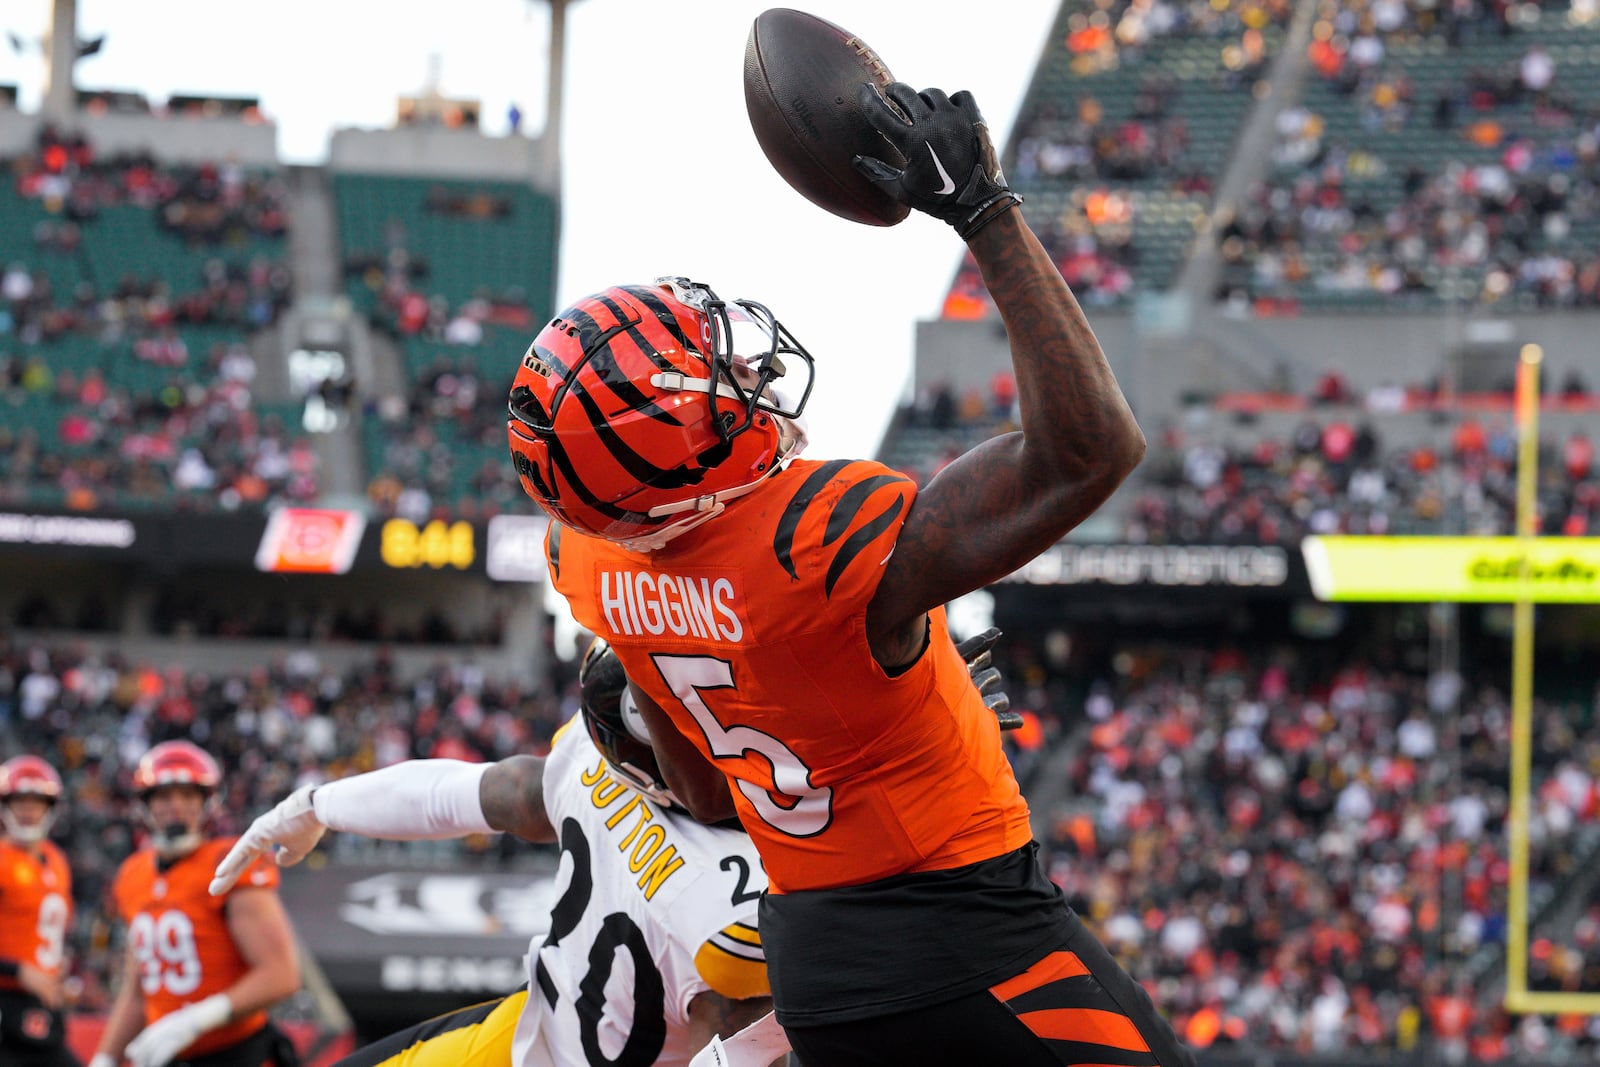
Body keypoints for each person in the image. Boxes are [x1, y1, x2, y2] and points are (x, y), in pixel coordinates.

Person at [504, 79, 1193, 1067]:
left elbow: (704, 795)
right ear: (676, 453)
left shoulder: (592, 558)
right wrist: (985, 211)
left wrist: (863, 722)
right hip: (963, 924)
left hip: (817, 961)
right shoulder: (812, 537)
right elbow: (1087, 450)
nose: (744, 382)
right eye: (715, 384)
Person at [210, 639, 786, 1067]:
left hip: (531, 1036)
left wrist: (319, 804)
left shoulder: (594, 759)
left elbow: (478, 794)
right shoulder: (745, 896)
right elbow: (482, 795)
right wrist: (317, 805)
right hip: (527, 1031)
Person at [90, 741, 300, 1067]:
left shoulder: (229, 859)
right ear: (144, 806)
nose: (175, 806)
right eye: (163, 796)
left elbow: (281, 974)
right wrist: (105, 1057)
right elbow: (138, 986)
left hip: (238, 1052)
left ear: (208, 803)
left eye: (188, 795)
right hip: (173, 1056)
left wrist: (196, 1019)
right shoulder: (132, 873)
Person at [0, 755, 78, 1067]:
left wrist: (55, 976)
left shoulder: (57, 861)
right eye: (20, 802)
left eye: (37, 802)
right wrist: (19, 971)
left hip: (42, 1007)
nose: (29, 810)